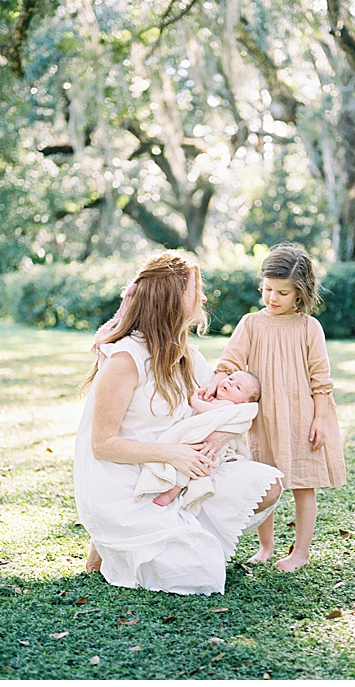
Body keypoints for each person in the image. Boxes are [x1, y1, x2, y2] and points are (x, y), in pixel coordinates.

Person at [74, 252, 283, 595]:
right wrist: (171, 454)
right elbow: (103, 444)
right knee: (199, 576)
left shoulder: (187, 354)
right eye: (195, 289)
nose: (202, 297)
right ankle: (116, 540)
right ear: (172, 297)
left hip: (179, 476)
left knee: (267, 486)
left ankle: (183, 528)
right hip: (127, 484)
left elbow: (230, 408)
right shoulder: (125, 359)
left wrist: (219, 436)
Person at [200, 243, 346, 573]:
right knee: (264, 482)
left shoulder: (310, 328)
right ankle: (266, 547)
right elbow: (231, 360)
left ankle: (300, 553)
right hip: (262, 419)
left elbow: (320, 379)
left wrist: (320, 419)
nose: (272, 298)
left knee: (302, 484)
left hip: (301, 418)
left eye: (282, 292)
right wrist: (217, 379)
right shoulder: (251, 323)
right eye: (267, 289)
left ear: (300, 294)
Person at [140, 371, 262, 508]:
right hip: (199, 437)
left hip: (205, 445)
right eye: (231, 378)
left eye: (238, 387)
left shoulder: (228, 405)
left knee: (190, 469)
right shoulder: (218, 400)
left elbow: (208, 410)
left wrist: (194, 400)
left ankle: (172, 492)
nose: (230, 383)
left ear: (244, 402)